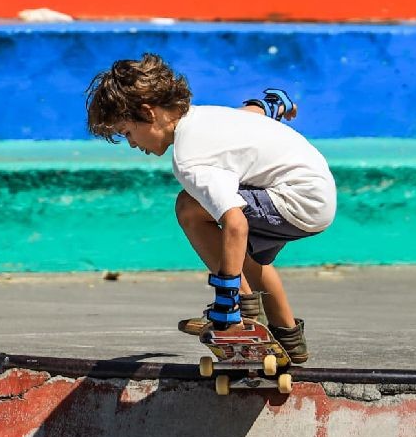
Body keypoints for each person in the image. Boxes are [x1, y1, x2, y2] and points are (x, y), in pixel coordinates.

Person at [85, 53, 336, 363]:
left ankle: (238, 309)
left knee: (189, 208)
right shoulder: (207, 116)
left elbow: (236, 223)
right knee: (241, 253)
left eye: (127, 133)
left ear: (149, 114)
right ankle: (289, 337)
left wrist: (226, 302)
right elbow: (255, 112)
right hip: (315, 194)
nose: (133, 144)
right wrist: (276, 102)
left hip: (296, 202)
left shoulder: (189, 159)